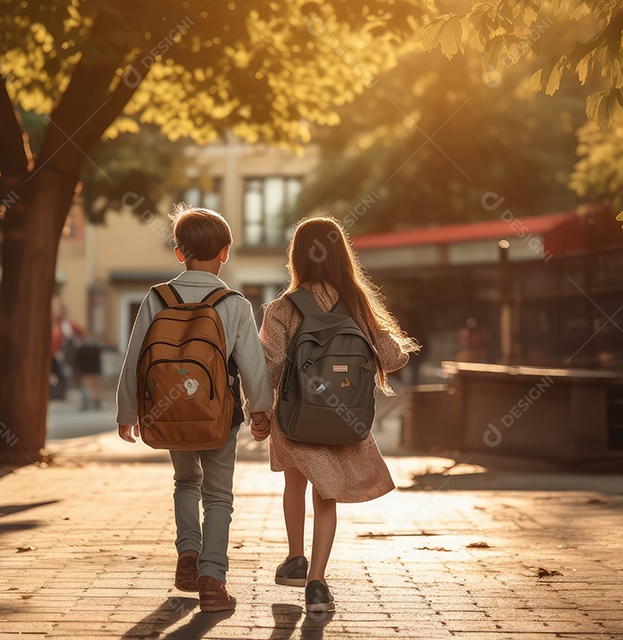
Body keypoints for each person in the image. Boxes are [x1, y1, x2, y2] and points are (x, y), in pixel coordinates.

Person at [115, 203, 274, 612]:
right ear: (225, 252)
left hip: (169, 413)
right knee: (218, 496)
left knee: (185, 483)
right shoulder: (234, 303)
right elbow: (252, 363)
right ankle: (212, 578)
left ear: (178, 252)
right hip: (219, 417)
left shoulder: (157, 297)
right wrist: (261, 409)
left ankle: (188, 550)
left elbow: (136, 357)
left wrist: (127, 411)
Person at [256, 216, 419, 613]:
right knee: (325, 496)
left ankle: (296, 558)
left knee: (294, 483)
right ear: (342, 256)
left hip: (295, 418)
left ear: (296, 257)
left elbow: (271, 366)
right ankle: (317, 583)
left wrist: (259, 411)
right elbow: (393, 356)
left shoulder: (282, 308)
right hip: (343, 418)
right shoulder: (357, 304)